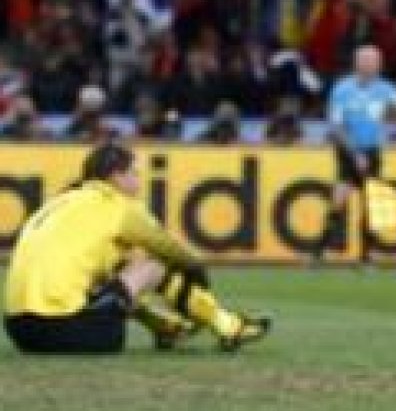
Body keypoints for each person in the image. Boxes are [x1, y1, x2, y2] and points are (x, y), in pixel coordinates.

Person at [4, 142, 270, 354]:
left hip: (20, 332)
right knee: (153, 265)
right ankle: (227, 325)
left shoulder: (58, 204)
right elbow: (170, 249)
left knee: (119, 269)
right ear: (116, 177)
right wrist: (195, 268)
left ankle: (167, 327)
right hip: (71, 333)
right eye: (134, 173)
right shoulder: (118, 206)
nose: (138, 182)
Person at [315, 44, 396, 264]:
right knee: (339, 200)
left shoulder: (384, 89)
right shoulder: (342, 89)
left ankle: (367, 255)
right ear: (357, 63)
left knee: (371, 203)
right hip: (348, 150)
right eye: (368, 61)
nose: (372, 65)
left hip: (372, 151)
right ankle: (321, 251)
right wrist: (354, 153)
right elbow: (336, 126)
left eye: (375, 61)